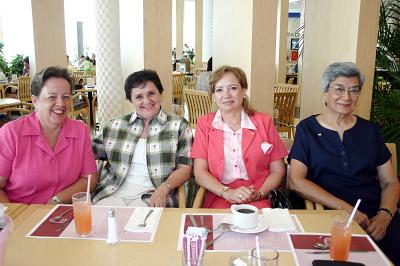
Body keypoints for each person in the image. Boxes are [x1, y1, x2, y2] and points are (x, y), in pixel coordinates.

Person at [288, 62, 400, 264]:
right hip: (331, 216)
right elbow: (296, 181)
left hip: (376, 215)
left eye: (353, 90)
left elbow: (390, 182)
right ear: (325, 92)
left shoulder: (369, 131)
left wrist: (385, 215)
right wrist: (347, 210)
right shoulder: (308, 129)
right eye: (339, 89)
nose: (346, 97)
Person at [92, 69, 193, 207]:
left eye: (151, 93)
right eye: (139, 97)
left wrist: (164, 188)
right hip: (112, 192)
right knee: (98, 224)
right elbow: (87, 153)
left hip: (153, 195)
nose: (146, 100)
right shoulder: (115, 125)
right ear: (131, 100)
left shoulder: (178, 126)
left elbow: (185, 168)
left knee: (138, 225)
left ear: (161, 93)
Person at [191, 65, 287, 208]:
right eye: (219, 90)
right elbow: (199, 172)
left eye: (233, 88)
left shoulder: (264, 122)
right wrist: (227, 192)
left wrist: (260, 193)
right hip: (220, 197)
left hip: (259, 197)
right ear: (214, 96)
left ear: (243, 91)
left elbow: (278, 170)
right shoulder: (204, 124)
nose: (226, 95)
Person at [0, 67, 98, 204]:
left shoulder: (80, 131)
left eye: (66, 97)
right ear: (35, 101)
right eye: (52, 97)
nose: (60, 104)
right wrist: (14, 216)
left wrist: (56, 200)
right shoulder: (11, 133)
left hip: (63, 213)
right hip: (22, 216)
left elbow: (89, 179)